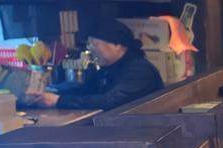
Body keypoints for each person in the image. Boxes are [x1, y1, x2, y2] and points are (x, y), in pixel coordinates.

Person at [26, 18, 164, 110]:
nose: (90, 49)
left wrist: (59, 101)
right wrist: (51, 93)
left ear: (117, 44)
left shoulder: (139, 70)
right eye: (89, 44)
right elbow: (86, 90)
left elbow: (109, 101)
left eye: (94, 44)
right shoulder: (109, 68)